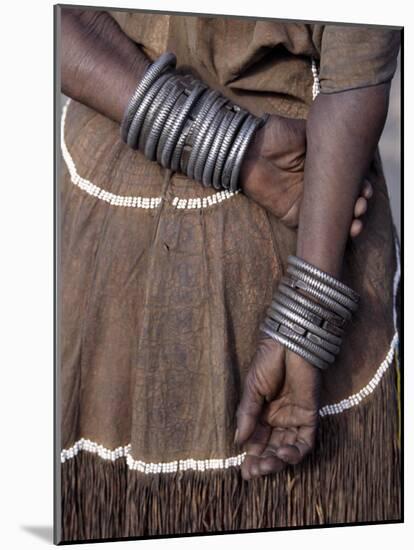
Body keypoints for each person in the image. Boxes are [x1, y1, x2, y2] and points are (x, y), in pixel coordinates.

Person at [59, 7, 401, 542]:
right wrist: (305, 327)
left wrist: (230, 146)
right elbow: (354, 75)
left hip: (112, 212)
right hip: (312, 202)